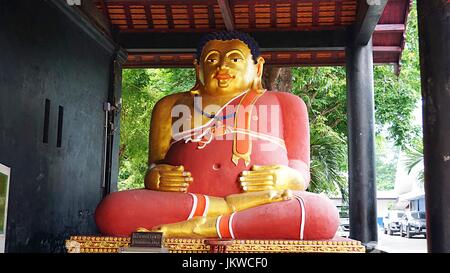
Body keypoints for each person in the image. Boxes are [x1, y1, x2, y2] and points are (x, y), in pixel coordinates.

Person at [95, 31, 339, 240]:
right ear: (198, 68)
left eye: (235, 58)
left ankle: (207, 226)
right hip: (197, 202)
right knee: (113, 210)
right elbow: (154, 166)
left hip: (263, 200)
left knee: (322, 213)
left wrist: (287, 178)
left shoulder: (285, 103)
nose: (222, 66)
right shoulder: (171, 105)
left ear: (258, 67)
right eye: (212, 59)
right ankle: (228, 218)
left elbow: (300, 172)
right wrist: (156, 176)